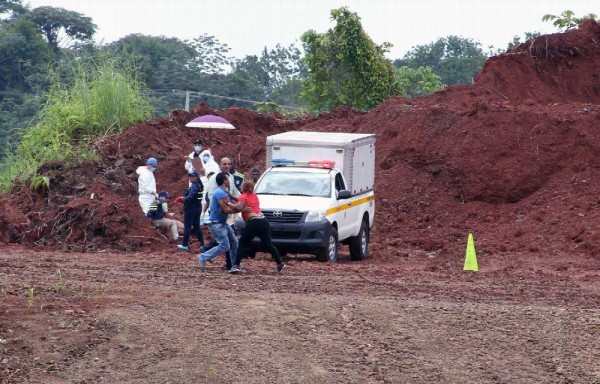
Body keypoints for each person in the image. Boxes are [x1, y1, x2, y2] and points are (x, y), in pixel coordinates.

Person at [230, 180, 285, 272]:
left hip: (254, 222)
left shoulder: (243, 197)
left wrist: (228, 203)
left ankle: (236, 265)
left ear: (243, 187)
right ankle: (279, 263)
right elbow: (242, 201)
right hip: (263, 221)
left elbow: (239, 207)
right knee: (268, 244)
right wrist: (233, 197)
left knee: (242, 243)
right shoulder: (254, 196)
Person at [204, 157, 241, 270]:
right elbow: (210, 195)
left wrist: (243, 200)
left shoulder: (230, 178)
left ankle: (206, 252)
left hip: (227, 211)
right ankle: (230, 264)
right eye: (224, 164)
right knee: (229, 239)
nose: (226, 166)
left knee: (228, 238)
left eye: (229, 164)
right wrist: (222, 206)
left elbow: (234, 192)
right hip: (220, 212)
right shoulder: (215, 178)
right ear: (220, 165)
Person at [177, 171, 204, 251]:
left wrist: (182, 199)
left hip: (191, 208)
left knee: (187, 226)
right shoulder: (198, 185)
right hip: (197, 207)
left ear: (196, 177)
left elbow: (190, 197)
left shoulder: (195, 186)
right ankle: (202, 243)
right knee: (197, 226)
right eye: (190, 176)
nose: (191, 178)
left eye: (192, 176)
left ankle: (185, 244)